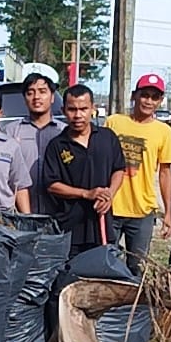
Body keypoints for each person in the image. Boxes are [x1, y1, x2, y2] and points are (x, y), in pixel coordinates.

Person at [41, 84, 126, 257]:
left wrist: (109, 193)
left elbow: (119, 169)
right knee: (71, 279)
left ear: (93, 109)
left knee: (102, 279)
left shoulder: (107, 137)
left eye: (83, 109)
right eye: (72, 109)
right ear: (63, 110)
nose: (78, 115)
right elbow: (51, 185)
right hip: (71, 228)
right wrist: (86, 194)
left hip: (102, 223)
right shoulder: (57, 145)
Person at [104, 73, 171, 275]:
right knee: (107, 261)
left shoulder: (163, 132)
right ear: (134, 95)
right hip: (112, 207)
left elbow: (164, 173)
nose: (149, 101)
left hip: (142, 211)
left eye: (155, 97)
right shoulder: (114, 122)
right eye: (145, 95)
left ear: (160, 101)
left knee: (137, 266)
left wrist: (168, 213)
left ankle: (133, 305)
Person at [2, 73, 66, 215]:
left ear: (52, 97)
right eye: (30, 93)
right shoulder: (10, 132)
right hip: (20, 213)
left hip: (58, 213)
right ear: (24, 98)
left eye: (42, 92)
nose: (36, 97)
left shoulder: (64, 132)